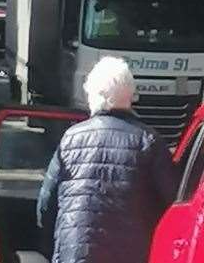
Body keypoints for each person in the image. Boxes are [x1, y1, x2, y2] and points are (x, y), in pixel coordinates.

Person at [36, 56, 179, 263]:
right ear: (130, 96)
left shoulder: (71, 138)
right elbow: (172, 202)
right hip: (130, 255)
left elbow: (46, 203)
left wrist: (54, 242)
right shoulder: (148, 141)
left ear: (92, 95)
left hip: (75, 254)